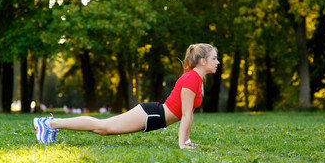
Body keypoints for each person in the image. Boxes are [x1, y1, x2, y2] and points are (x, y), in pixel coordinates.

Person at [34, 43, 219, 149]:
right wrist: (182, 145)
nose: (217, 62)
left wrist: (186, 141)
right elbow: (185, 115)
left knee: (103, 127)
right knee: (102, 127)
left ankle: (50, 124)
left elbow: (189, 114)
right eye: (214, 58)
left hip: (154, 116)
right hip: (151, 115)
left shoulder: (196, 79)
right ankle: (49, 124)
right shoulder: (191, 79)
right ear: (202, 61)